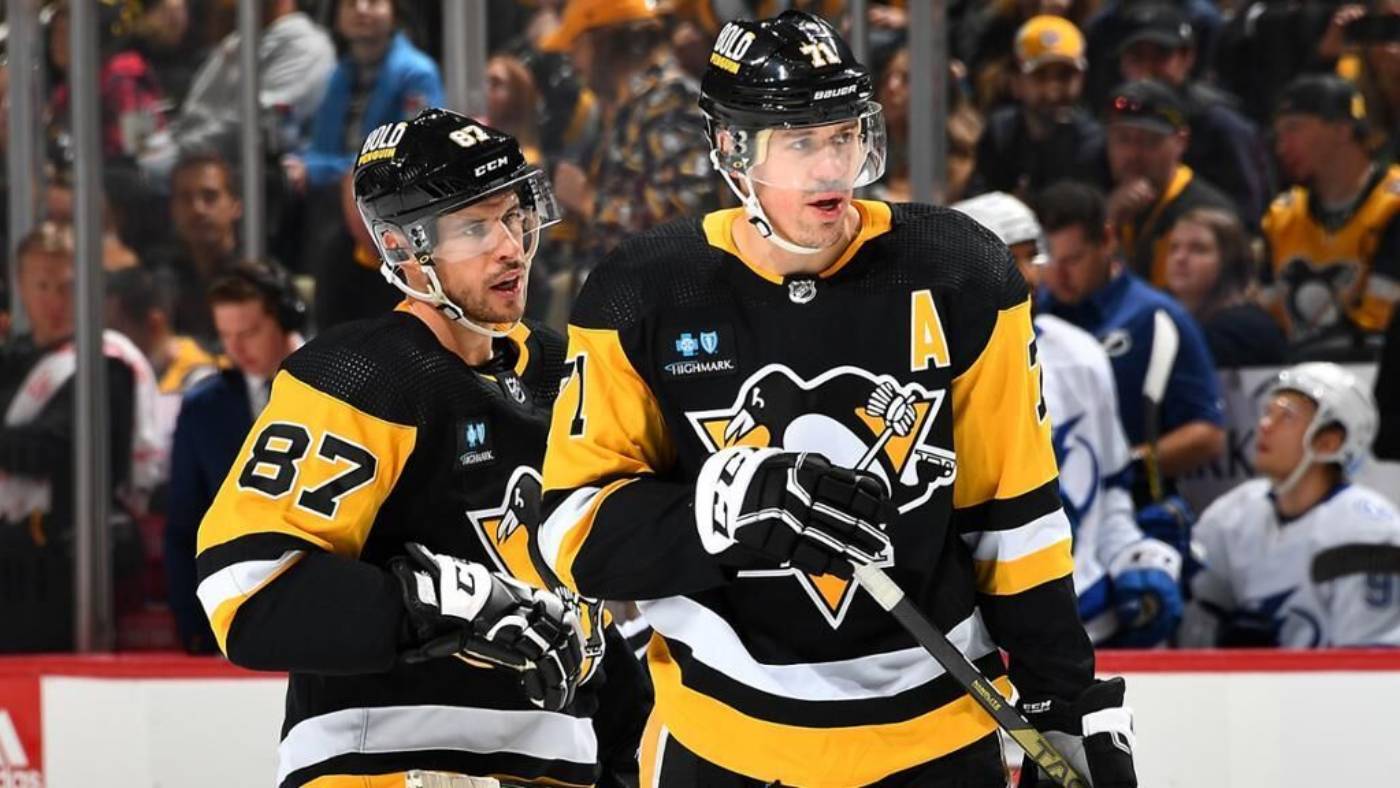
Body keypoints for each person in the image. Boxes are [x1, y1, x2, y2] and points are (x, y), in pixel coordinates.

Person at [537, 13, 1136, 786]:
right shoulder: (644, 293)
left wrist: (1063, 699)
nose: (831, 170)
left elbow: (1013, 516)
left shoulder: (958, 272)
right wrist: (717, 509)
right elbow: (571, 537)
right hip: (721, 737)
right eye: (799, 143)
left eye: (844, 136)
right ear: (731, 148)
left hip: (935, 735)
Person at [194, 109, 644, 786]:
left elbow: (581, 615)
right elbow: (248, 588)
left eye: (513, 215)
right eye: (474, 228)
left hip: (555, 762)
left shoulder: (565, 368)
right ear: (403, 248)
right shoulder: (360, 376)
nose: (510, 247)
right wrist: (438, 603)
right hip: (387, 758)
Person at [955, 191, 1182, 648]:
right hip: (974, 644)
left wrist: (1133, 555)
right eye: (1007, 259)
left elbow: (1108, 494)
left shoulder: (1082, 355)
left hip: (1089, 625)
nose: (1026, 275)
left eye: (1030, 257)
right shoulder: (929, 374)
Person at [0, 222, 159, 652]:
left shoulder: (105, 362)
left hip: (65, 561)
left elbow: (64, 448)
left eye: (67, 286)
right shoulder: (12, 361)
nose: (55, 300)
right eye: (43, 285)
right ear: (20, 286)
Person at [1180, 363, 1400, 648]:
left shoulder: (1370, 532)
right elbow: (1195, 624)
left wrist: (1280, 666)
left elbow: (1372, 660)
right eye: (1267, 412)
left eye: (1287, 416)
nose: (1264, 425)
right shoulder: (1232, 514)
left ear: (1329, 441)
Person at [1037, 180, 1225, 506]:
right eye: (1049, 261)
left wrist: (1123, 464)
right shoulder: (1030, 314)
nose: (1059, 275)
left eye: (1073, 259)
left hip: (1134, 506)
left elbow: (1207, 435)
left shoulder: (1156, 318)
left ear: (1107, 240)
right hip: (1044, 506)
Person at [166, 261, 305, 653]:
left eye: (249, 332)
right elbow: (184, 524)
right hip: (234, 616)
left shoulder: (342, 383)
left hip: (321, 601)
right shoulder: (203, 407)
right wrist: (193, 625)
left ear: (286, 319)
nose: (236, 349)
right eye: (226, 336)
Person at [543, 0, 720, 263]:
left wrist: (587, 201)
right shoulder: (631, 107)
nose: (572, 61)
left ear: (601, 43)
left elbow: (679, 224)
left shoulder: (673, 102)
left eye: (576, 46)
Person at [1262, 74, 1400, 348]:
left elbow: (1378, 327)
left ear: (1342, 130)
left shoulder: (1392, 206)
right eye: (1279, 133)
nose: (1282, 145)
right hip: (1295, 367)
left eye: (1294, 128)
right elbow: (1267, 323)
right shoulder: (1281, 216)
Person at [1115, 2, 1271, 225]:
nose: (1148, 69)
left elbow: (1250, 217)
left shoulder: (1221, 126)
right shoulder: (1118, 116)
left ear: (1187, 57)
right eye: (1137, 58)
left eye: (1160, 57)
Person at [283, 0, 443, 193]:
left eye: (373, 2)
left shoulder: (418, 73)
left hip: (393, 195)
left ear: (395, 14)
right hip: (336, 193)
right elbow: (321, 147)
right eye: (350, 3)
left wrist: (317, 171)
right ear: (337, 18)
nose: (361, 9)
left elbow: (411, 155)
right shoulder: (338, 73)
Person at [166, 0, 334, 167]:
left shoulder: (306, 47)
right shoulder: (237, 40)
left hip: (230, 168)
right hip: (185, 151)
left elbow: (253, 126)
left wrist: (176, 152)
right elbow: (193, 113)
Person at [1104, 78, 1237, 288]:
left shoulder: (1208, 213)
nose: (1133, 154)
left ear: (1181, 141)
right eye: (1123, 139)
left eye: (1149, 141)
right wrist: (1106, 220)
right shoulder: (1107, 202)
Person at [977, 15, 1110, 200]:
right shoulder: (1000, 132)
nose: (1052, 91)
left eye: (1065, 76)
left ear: (1082, 79)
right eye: (1040, 76)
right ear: (1016, 82)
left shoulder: (1094, 142)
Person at [1163, 208, 1287, 367]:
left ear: (1229, 261)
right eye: (1174, 248)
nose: (1180, 258)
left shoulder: (1239, 328)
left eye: (1198, 249)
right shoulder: (1165, 319)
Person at [148, 150, 245, 342]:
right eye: (185, 198)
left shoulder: (254, 276)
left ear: (235, 206)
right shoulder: (161, 278)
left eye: (210, 196)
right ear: (172, 209)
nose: (197, 209)